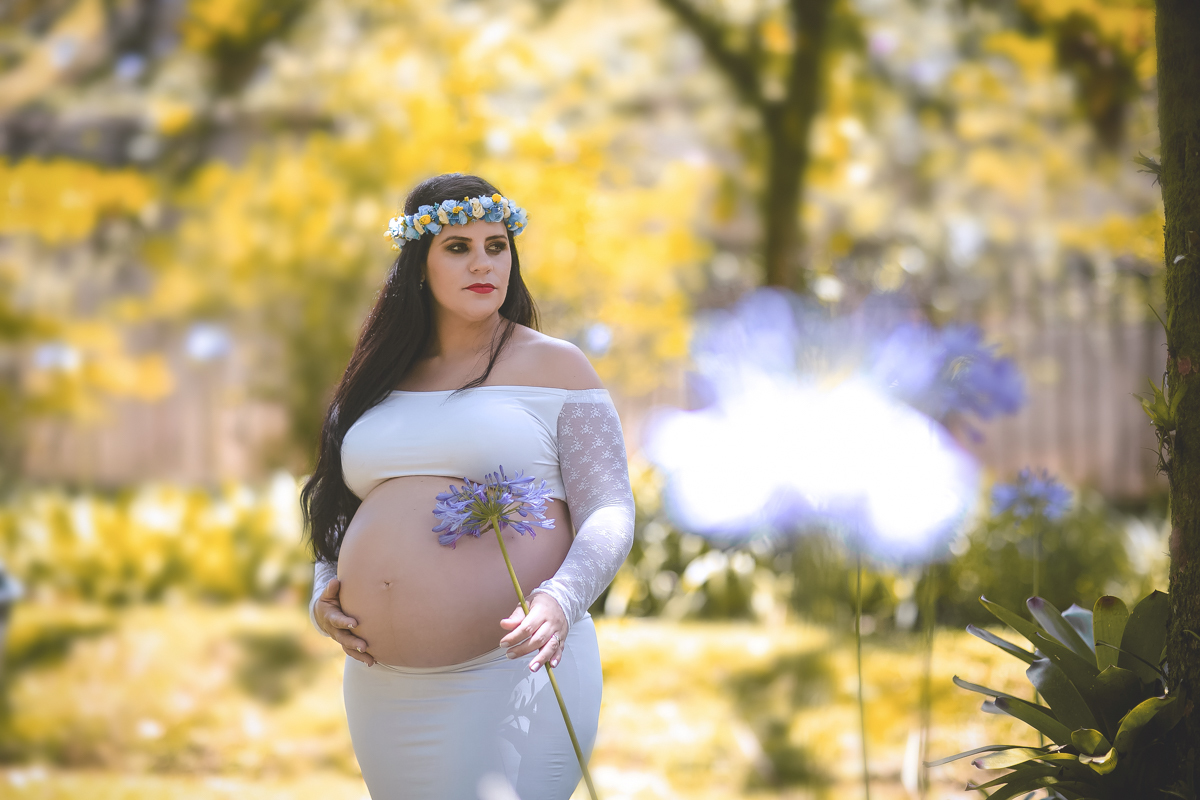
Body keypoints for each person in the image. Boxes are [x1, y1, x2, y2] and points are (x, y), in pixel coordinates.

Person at [300, 172, 635, 799]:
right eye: (458, 247)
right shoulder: (377, 377)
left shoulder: (556, 366)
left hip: (515, 668)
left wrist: (561, 600)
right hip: (383, 684)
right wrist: (326, 589)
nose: (483, 263)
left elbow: (610, 508)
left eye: (496, 245)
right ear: (417, 264)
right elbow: (342, 511)